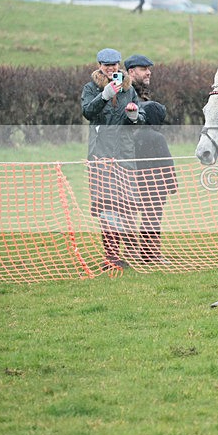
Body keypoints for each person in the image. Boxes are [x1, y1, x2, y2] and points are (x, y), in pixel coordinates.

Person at [81, 48, 144, 270]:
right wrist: (104, 95)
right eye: (107, 65)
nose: (111, 68)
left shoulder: (129, 89)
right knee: (107, 208)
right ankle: (111, 256)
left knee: (127, 206)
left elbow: (140, 119)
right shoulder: (90, 88)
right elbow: (87, 111)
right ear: (99, 65)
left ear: (119, 65)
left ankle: (130, 250)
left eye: (114, 65)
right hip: (101, 157)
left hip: (126, 157)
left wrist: (135, 115)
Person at [132, 100, 177, 263]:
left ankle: (142, 252)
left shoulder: (134, 135)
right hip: (156, 188)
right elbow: (167, 162)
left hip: (137, 186)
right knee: (153, 220)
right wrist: (172, 184)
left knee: (143, 219)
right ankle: (152, 253)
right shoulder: (158, 138)